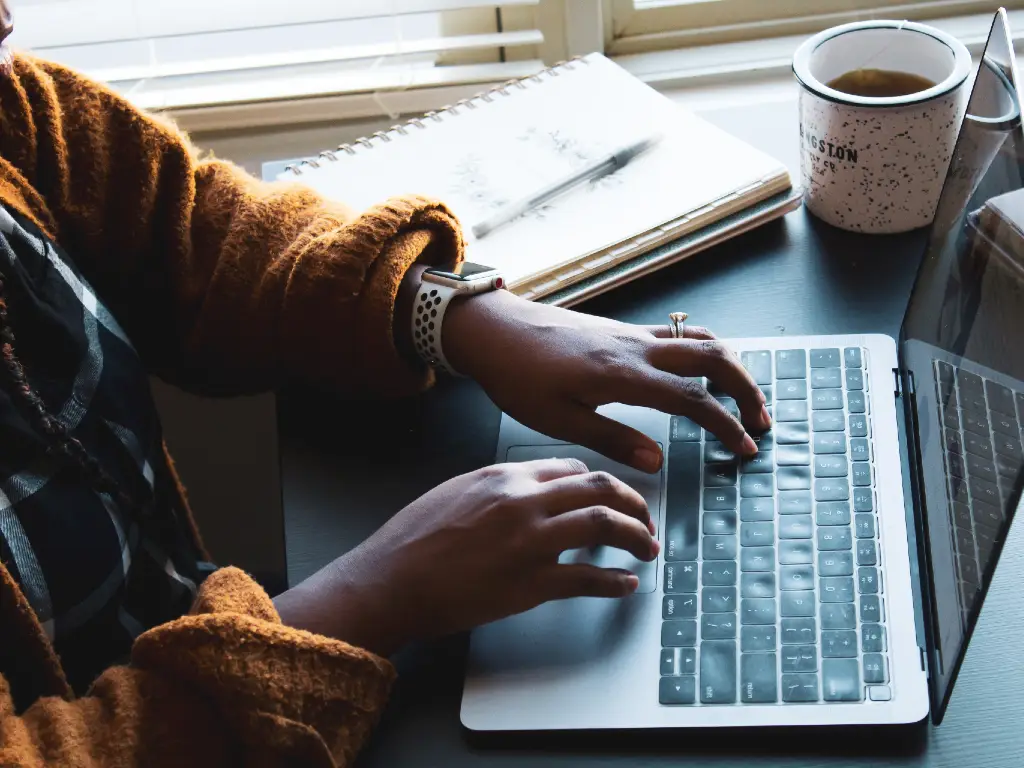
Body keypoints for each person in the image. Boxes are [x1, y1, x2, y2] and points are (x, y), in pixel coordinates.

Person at [0, 4, 770, 766]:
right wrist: (375, 596)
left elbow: (197, 228)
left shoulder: (12, 111)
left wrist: (461, 314)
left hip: (190, 621)